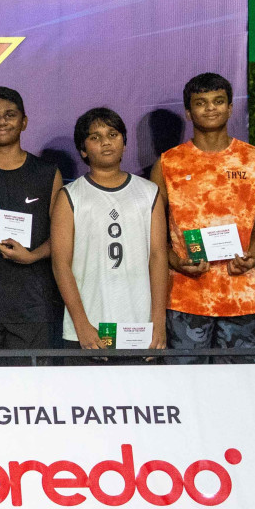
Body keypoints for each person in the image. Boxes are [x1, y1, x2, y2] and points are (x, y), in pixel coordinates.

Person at [151, 72, 255, 360]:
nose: (211, 108)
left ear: (230, 108)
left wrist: (253, 253)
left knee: (246, 387)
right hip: (185, 298)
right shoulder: (168, 163)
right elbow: (153, 234)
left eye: (218, 101)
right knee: (186, 389)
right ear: (189, 113)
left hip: (241, 296)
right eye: (201, 102)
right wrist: (177, 261)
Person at [50, 107, 168, 351]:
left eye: (113, 134)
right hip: (87, 329)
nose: (106, 142)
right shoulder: (70, 196)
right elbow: (60, 263)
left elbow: (158, 257)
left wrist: (158, 321)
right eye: (95, 137)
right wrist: (81, 324)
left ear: (124, 143)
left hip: (139, 327)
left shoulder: (148, 193)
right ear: (83, 150)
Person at [0, 86, 62, 354]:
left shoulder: (47, 173)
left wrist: (33, 256)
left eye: (10, 115)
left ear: (24, 121)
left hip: (35, 309)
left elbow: (62, 238)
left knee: (32, 395)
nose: (2, 121)